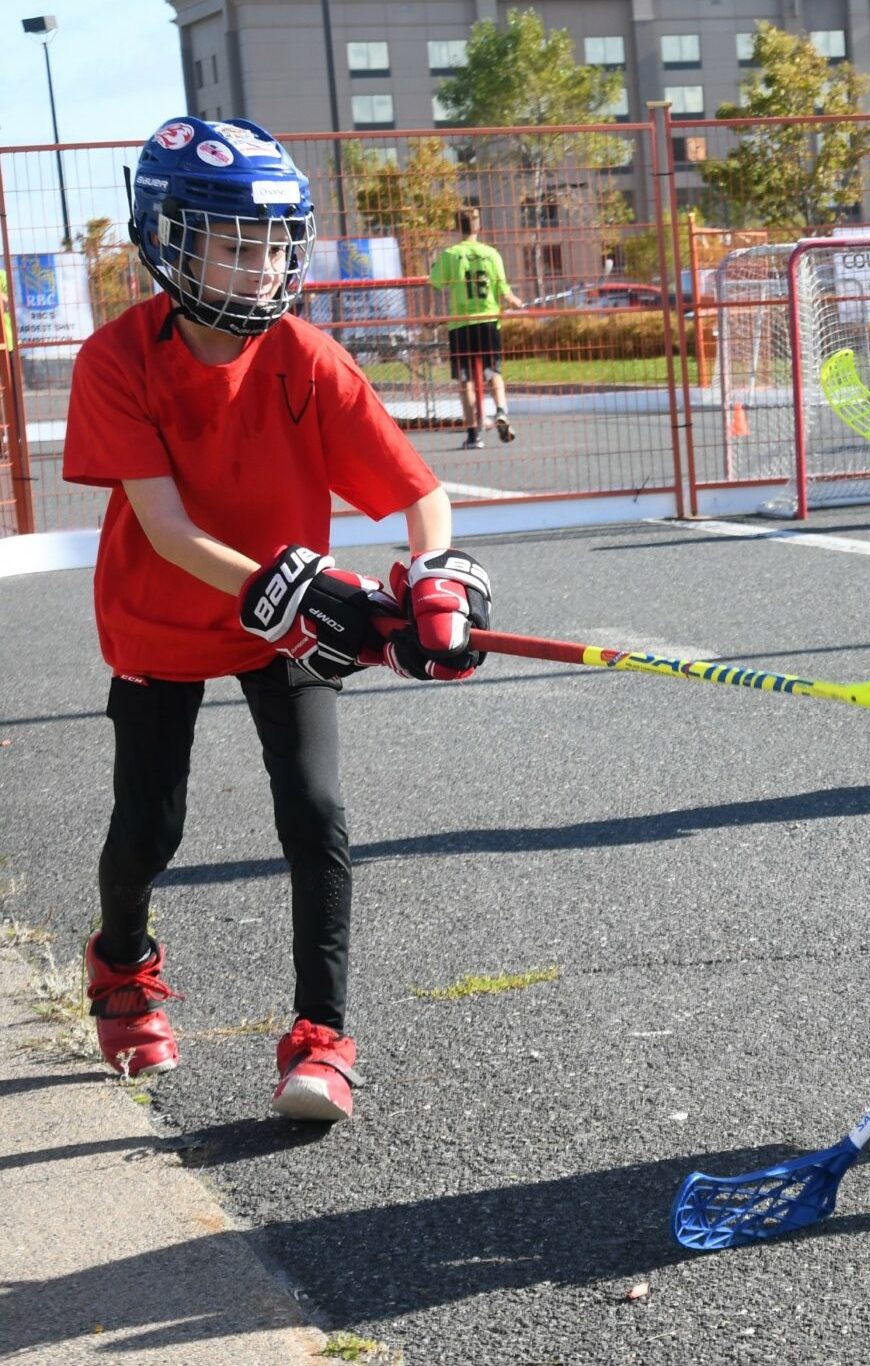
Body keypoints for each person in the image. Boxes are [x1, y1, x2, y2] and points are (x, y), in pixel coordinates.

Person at [62, 116, 495, 1122]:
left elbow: (416, 492)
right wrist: (308, 591)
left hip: (283, 622)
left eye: (272, 242)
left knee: (315, 812)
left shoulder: (304, 354)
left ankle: (322, 1037)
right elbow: (166, 530)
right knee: (149, 827)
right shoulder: (117, 359)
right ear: (171, 236)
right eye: (234, 240)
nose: (259, 265)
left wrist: (433, 579)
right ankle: (121, 963)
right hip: (164, 614)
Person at [429, 206, 526, 450]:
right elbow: (505, 292)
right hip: (488, 320)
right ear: (478, 227)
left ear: (456, 228)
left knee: (465, 379)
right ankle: (501, 410)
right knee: (494, 371)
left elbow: (436, 283)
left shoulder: (451, 254)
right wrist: (515, 301)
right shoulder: (491, 254)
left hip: (461, 324)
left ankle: (474, 434)